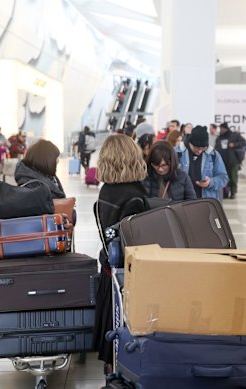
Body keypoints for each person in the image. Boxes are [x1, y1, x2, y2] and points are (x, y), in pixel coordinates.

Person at [93, 135, 148, 373]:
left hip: (109, 268)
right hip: (128, 274)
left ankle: (111, 373)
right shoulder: (134, 194)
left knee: (110, 340)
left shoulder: (106, 191)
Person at [177, 125, 228, 201]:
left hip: (206, 202)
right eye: (196, 148)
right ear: (190, 143)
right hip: (182, 201)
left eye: (203, 148)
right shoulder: (178, 153)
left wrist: (210, 182)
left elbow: (223, 178)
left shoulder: (213, 155)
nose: (199, 151)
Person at [215, 122, 246, 199]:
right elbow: (216, 148)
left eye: (222, 128)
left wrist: (234, 145)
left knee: (233, 178)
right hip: (222, 162)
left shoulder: (234, 135)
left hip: (233, 161)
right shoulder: (219, 138)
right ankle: (225, 193)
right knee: (224, 178)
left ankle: (233, 192)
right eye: (220, 128)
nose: (221, 130)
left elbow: (243, 142)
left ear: (226, 128)